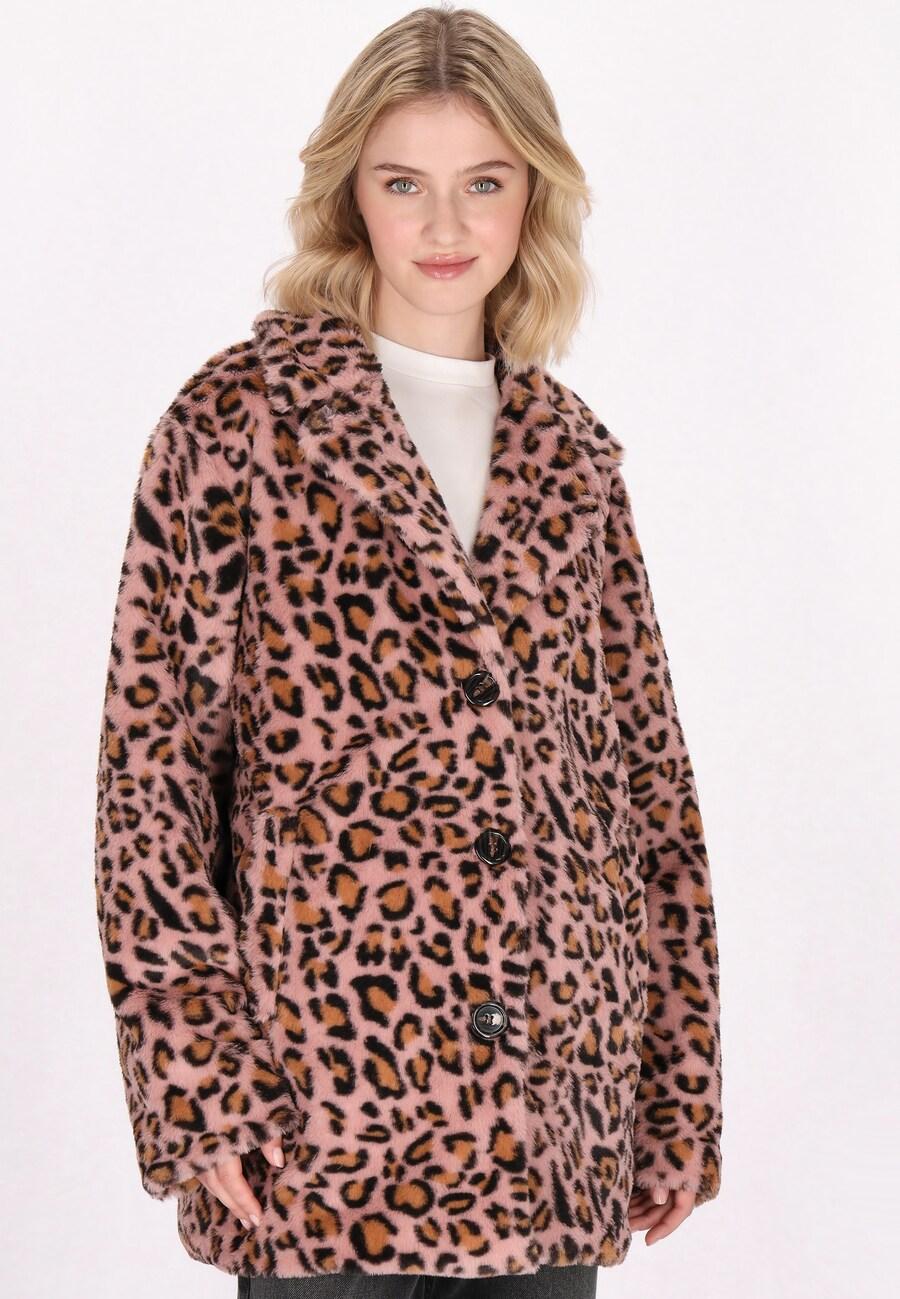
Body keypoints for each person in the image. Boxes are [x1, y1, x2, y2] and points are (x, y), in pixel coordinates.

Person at [93, 5, 723, 1295]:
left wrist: (677, 1089)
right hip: (327, 1124)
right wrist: (201, 1084)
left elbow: (648, 788)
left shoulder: (573, 457)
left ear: (533, 194)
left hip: (557, 1115)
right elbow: (152, 783)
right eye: (403, 184)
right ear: (351, 196)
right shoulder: (238, 426)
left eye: (483, 183)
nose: (445, 226)